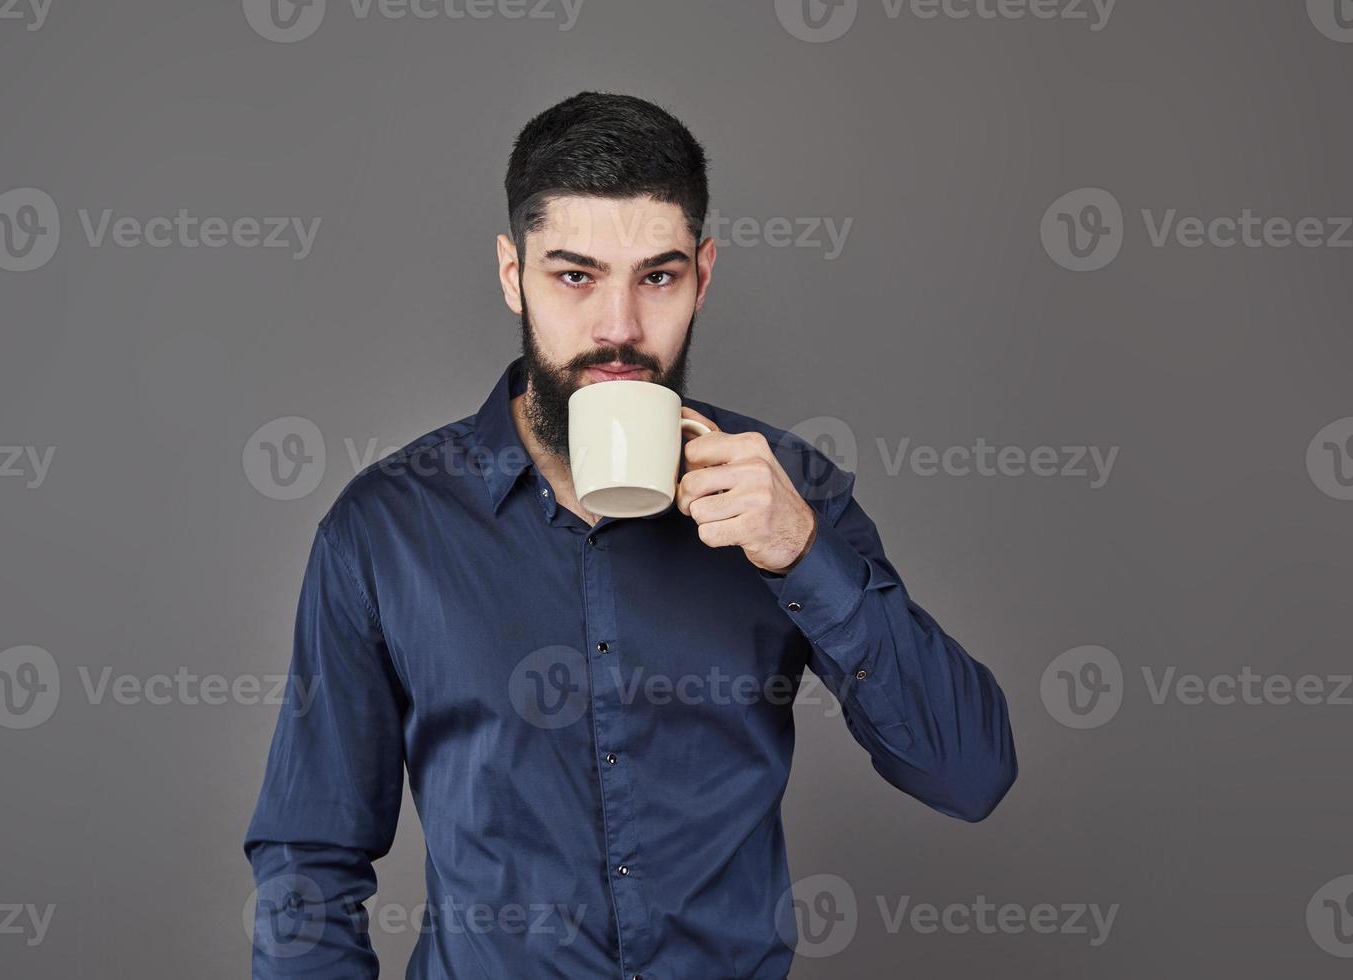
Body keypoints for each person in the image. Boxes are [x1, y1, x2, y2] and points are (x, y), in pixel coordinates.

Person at [244, 90, 1017, 979]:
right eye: (574, 275)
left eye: (658, 276)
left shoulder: (788, 494)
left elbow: (969, 774)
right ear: (512, 275)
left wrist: (806, 557)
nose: (619, 327)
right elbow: (308, 860)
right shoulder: (387, 528)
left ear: (703, 274)